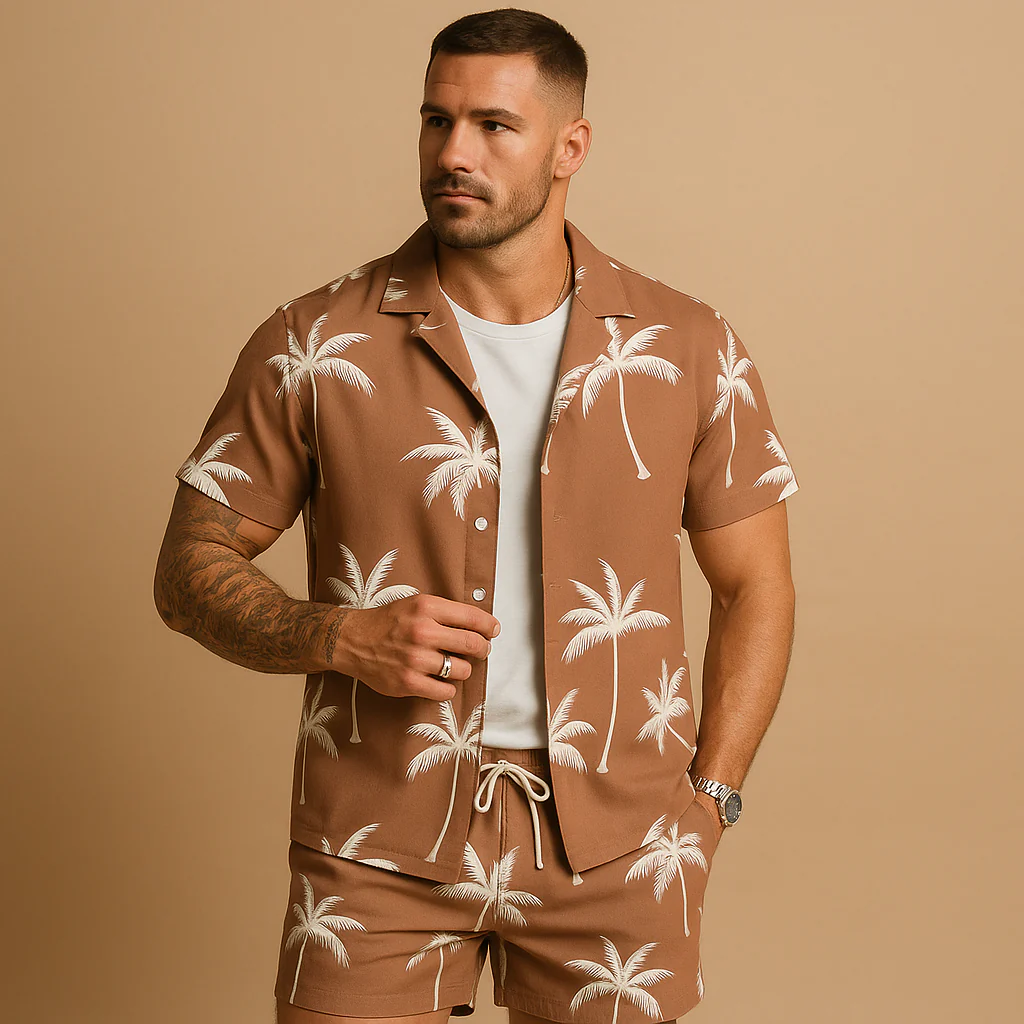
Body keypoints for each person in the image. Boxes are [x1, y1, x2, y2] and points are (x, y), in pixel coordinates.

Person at [154, 8, 799, 1024]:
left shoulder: (687, 347)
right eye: (436, 120)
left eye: (494, 126)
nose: (454, 153)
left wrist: (710, 798)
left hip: (623, 847)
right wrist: (339, 635)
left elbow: (755, 582)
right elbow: (186, 566)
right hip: (371, 842)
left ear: (569, 147)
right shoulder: (313, 341)